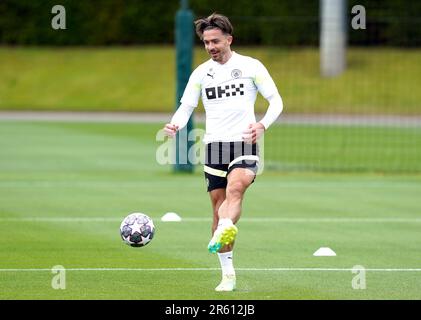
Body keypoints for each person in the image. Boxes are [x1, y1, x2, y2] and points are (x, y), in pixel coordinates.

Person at [163, 13, 283, 291]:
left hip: (244, 141)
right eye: (206, 43)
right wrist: (176, 124)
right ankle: (227, 273)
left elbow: (276, 100)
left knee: (236, 188)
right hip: (214, 146)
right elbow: (187, 106)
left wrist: (262, 125)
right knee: (218, 210)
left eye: (215, 41)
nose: (211, 47)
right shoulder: (200, 73)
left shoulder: (251, 66)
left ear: (229, 39)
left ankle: (226, 225)